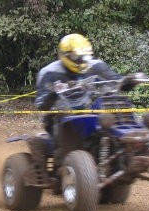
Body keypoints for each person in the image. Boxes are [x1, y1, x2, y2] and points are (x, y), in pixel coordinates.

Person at [33, 33, 122, 167]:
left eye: (85, 55)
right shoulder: (49, 72)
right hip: (59, 118)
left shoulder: (97, 66)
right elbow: (40, 104)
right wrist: (54, 93)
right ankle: (64, 169)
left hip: (93, 112)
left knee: (113, 111)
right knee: (66, 126)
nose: (81, 59)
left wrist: (130, 80)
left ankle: (120, 156)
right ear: (65, 54)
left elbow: (117, 82)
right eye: (76, 56)